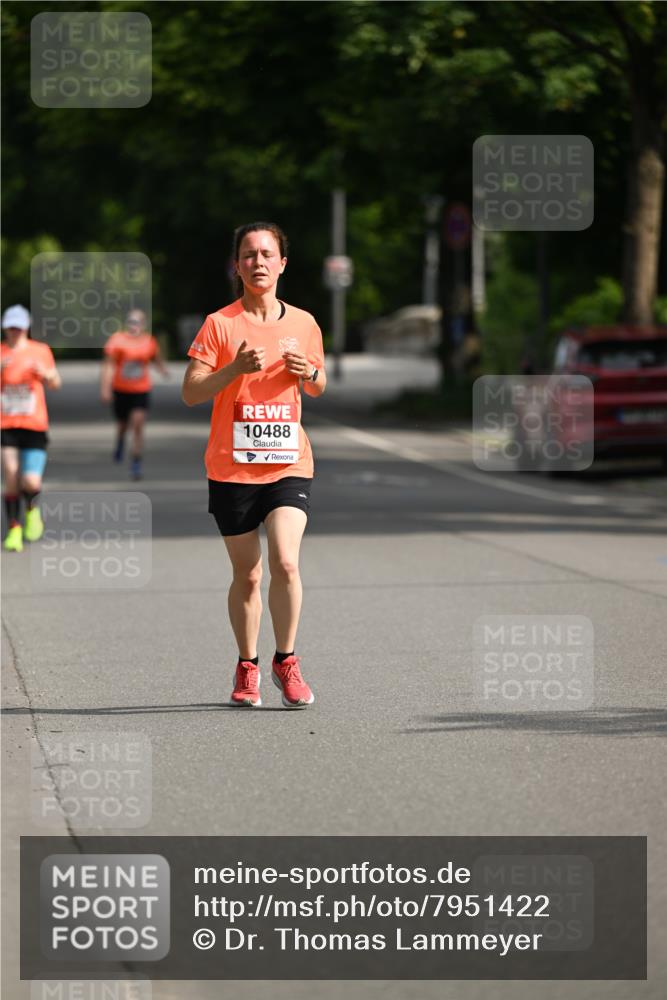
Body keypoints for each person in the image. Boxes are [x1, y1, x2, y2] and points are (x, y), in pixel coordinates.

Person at [182, 222, 326, 709]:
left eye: (267, 253)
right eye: (248, 255)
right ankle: (248, 666)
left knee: (286, 560)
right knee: (247, 575)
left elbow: (317, 385)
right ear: (237, 265)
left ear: (282, 263)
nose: (258, 262)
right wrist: (233, 370)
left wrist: (310, 374)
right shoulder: (220, 324)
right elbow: (190, 392)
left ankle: (287, 660)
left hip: (289, 463)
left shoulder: (305, 324)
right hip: (232, 468)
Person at [1, 304, 61, 552]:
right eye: (10, 327)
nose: (14, 332)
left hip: (34, 425)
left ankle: (32, 509)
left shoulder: (40, 351)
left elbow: (56, 383)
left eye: (19, 327)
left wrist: (46, 374)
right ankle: (14, 528)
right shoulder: (1, 352)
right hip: (7, 424)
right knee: (12, 476)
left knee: (31, 480)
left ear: (26, 327)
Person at [100, 309, 169, 480]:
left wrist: (162, 370)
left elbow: (156, 357)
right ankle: (120, 442)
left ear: (143, 325)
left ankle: (136, 462)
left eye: (137, 322)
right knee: (123, 425)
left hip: (141, 389)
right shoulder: (117, 340)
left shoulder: (149, 341)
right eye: (131, 322)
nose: (134, 326)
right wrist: (105, 388)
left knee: (138, 424)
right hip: (121, 389)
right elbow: (108, 365)